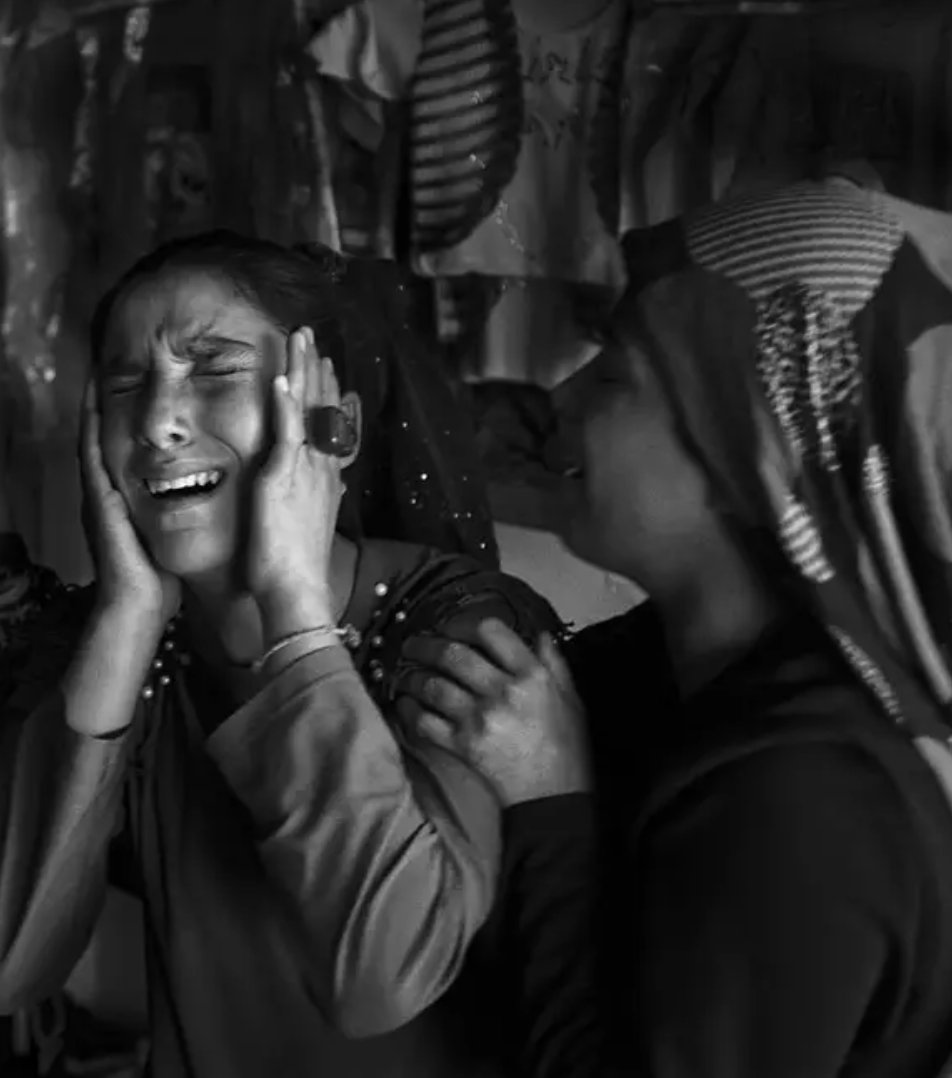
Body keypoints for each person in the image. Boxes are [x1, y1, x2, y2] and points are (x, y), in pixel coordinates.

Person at [0, 232, 565, 1078]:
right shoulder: (130, 652)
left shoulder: (454, 627)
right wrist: (126, 614)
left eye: (214, 370)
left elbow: (381, 979)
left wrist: (294, 606)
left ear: (337, 424)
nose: (156, 422)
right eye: (123, 385)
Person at [398, 179, 952, 1076]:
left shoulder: (802, 799)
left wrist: (549, 802)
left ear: (750, 450)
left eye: (615, 374)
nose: (567, 397)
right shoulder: (685, 669)